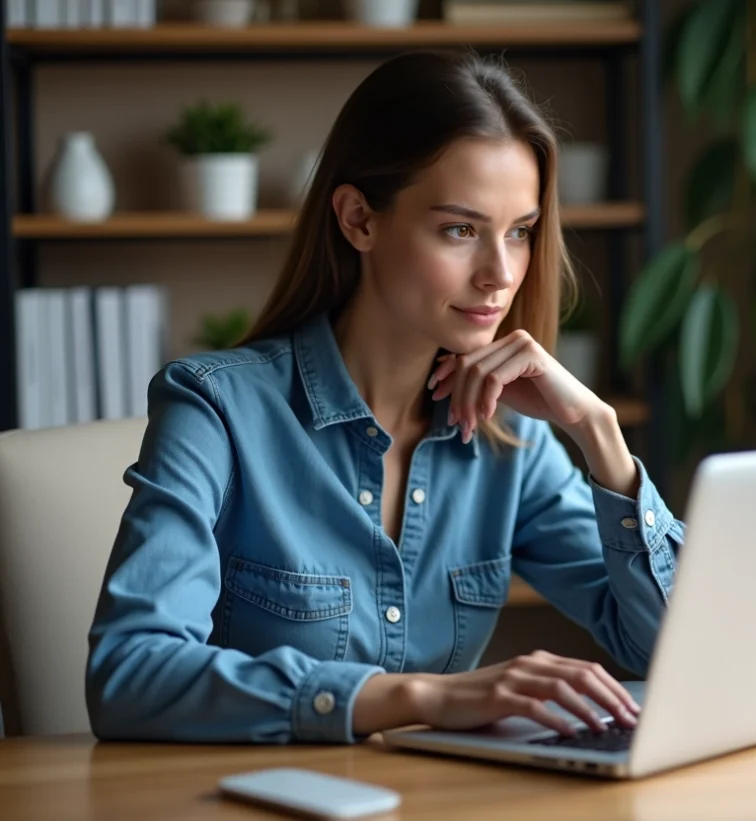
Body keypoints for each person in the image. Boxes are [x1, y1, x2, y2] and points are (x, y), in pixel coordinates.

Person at [85, 49, 686, 745]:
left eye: (518, 232)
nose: (500, 274)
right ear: (358, 219)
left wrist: (599, 434)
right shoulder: (215, 410)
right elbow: (127, 673)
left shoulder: (510, 441)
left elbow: (673, 651)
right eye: (460, 229)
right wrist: (423, 696)